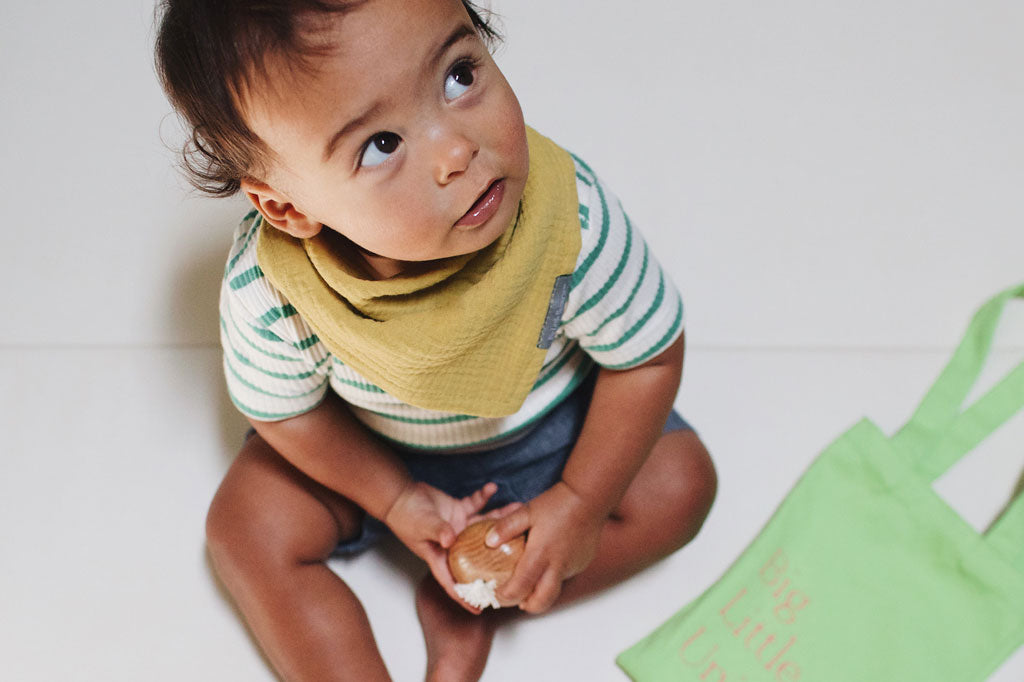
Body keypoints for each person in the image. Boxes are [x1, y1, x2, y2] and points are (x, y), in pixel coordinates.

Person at [154, 0, 717, 680]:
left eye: (458, 75)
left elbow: (648, 359)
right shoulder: (273, 289)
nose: (457, 151)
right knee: (244, 531)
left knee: (681, 486)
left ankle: (478, 598)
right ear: (289, 207)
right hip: (369, 449)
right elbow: (285, 414)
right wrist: (393, 497)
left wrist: (580, 503)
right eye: (381, 145)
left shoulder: (569, 224)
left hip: (552, 436)